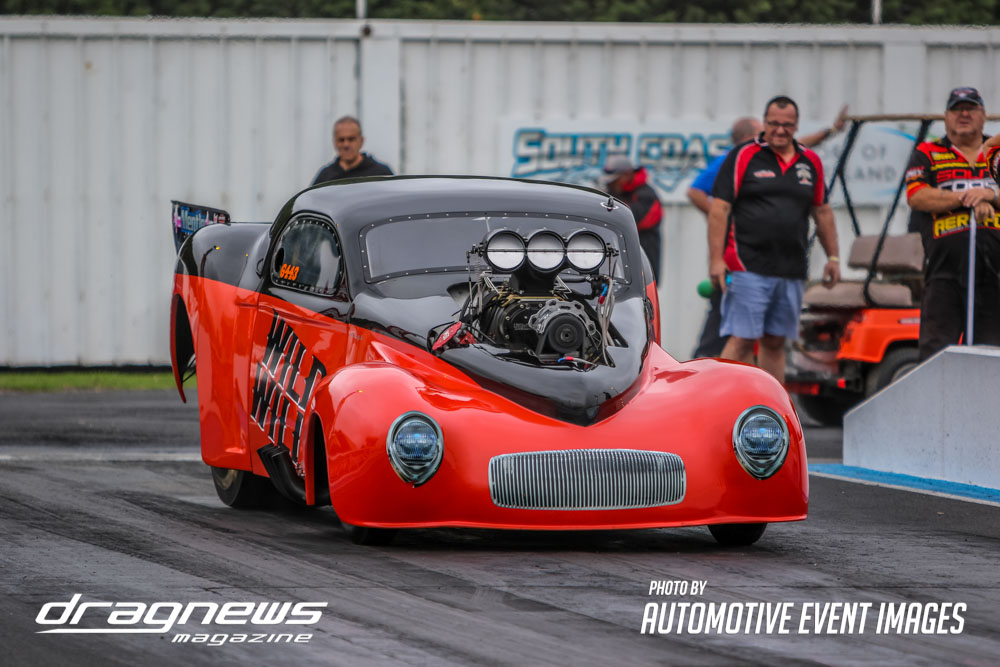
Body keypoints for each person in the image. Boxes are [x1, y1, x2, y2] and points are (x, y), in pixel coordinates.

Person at [688, 106, 848, 358]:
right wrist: (723, 216)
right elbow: (694, 191)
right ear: (749, 136)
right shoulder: (734, 159)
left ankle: (746, 377)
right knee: (729, 331)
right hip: (739, 259)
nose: (772, 134)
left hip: (781, 266)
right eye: (764, 130)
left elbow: (802, 144)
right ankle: (705, 369)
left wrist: (831, 130)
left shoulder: (782, 154)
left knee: (769, 339)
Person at [906, 87, 1000, 361]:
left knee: (991, 356)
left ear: (983, 115)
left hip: (995, 274)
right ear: (946, 116)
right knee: (935, 353)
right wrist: (968, 198)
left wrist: (990, 195)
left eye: (970, 108)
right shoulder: (927, 152)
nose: (964, 114)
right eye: (957, 109)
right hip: (944, 272)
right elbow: (917, 196)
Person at [600, 155, 663, 281]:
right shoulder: (614, 193)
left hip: (644, 256)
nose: (610, 184)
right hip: (618, 260)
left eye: (615, 180)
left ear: (627, 175)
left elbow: (631, 221)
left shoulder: (646, 195)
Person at [311, 116, 393, 185]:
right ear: (334, 142)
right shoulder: (325, 178)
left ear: (361, 141)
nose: (346, 145)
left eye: (351, 139)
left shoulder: (381, 175)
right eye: (341, 140)